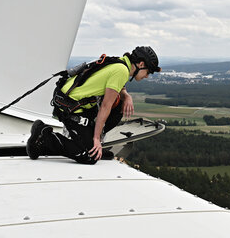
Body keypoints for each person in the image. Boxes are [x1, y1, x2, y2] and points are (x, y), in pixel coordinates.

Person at [26, 46, 161, 163]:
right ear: (141, 64)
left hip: (72, 103)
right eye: (148, 72)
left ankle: (93, 143)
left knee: (119, 105)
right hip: (70, 108)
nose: (147, 76)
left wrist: (126, 95)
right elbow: (105, 106)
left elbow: (115, 85)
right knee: (89, 156)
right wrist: (96, 138)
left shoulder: (120, 63)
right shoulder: (122, 71)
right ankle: (44, 136)